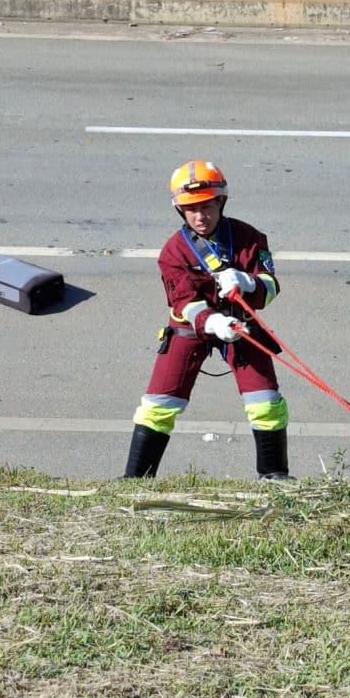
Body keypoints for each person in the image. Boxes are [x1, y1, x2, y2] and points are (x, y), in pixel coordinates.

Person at [124, 160, 291, 481]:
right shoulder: (173, 252)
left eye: (207, 207)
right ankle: (136, 480)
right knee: (158, 405)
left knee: (266, 403)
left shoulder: (250, 238)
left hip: (241, 324)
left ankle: (274, 476)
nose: (200, 216)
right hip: (191, 328)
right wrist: (212, 322)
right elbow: (184, 302)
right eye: (191, 209)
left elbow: (270, 287)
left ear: (221, 202)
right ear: (180, 210)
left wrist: (249, 282)